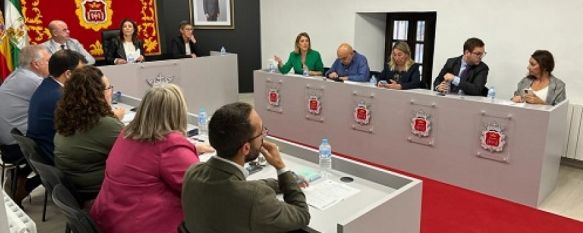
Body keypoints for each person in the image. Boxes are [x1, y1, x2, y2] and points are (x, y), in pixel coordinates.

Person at [91, 84, 213, 233]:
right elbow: (202, 188)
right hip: (142, 225)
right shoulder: (170, 146)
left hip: (109, 219)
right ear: (178, 112)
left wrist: (192, 148)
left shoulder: (127, 133)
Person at [182, 102, 310, 233]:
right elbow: (301, 214)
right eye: (261, 133)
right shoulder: (255, 198)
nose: (263, 137)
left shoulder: (192, 173)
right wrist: (281, 167)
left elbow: (240, 186)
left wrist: (286, 181)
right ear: (246, 148)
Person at [53, 66, 125, 201]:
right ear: (98, 94)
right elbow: (136, 153)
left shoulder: (68, 114)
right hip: (95, 188)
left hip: (74, 183)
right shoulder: (105, 124)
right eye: (109, 88)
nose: (111, 92)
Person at [0, 45, 50, 205]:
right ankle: (26, 185)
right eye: (48, 61)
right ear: (36, 64)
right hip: (18, 145)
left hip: (8, 141)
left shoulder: (17, 74)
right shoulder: (34, 81)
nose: (51, 64)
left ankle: (19, 177)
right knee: (64, 151)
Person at [27, 50, 86, 163]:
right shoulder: (60, 97)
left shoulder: (47, 85)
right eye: (81, 71)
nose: (84, 75)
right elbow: (83, 130)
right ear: (68, 74)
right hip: (55, 156)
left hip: (44, 151)